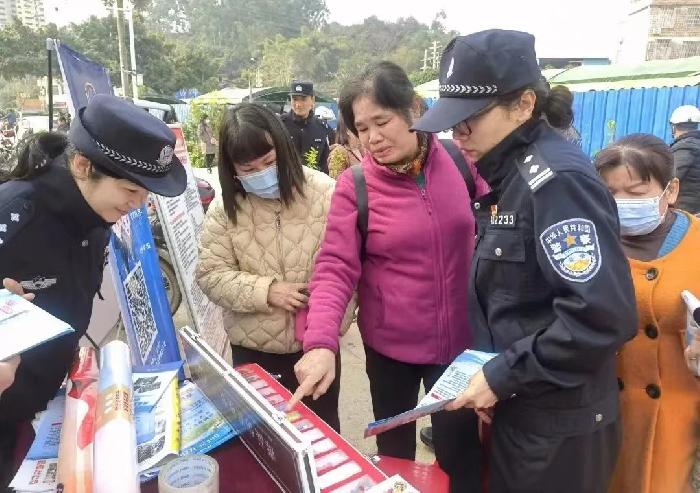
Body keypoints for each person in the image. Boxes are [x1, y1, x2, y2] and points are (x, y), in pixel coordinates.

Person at [412, 30, 638, 493]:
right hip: (527, 408)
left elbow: (601, 316)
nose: (458, 134)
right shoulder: (510, 174)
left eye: (471, 118)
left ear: (523, 104)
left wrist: (500, 376)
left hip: (558, 427)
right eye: (453, 121)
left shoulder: (556, 181)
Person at [290, 61, 489, 492]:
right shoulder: (355, 186)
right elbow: (335, 268)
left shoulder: (461, 162)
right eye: (361, 128)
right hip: (389, 352)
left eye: (382, 122)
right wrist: (320, 343)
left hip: (459, 348)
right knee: (395, 459)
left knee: (461, 456)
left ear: (413, 109)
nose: (373, 138)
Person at [0, 94, 186, 487]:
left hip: (42, 410)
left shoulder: (94, 215)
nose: (137, 206)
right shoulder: (14, 213)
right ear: (83, 166)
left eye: (146, 195)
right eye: (130, 191)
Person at [195, 103, 353, 432]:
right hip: (254, 350)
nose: (262, 174)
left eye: (269, 162)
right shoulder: (226, 210)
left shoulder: (326, 193)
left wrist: (331, 327)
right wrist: (266, 291)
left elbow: (348, 269)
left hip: (315, 347)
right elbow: (210, 275)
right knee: (263, 438)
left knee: (321, 434)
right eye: (248, 169)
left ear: (284, 148)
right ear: (232, 169)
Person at [592, 134, 700, 493]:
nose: (622, 203)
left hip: (677, 416)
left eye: (636, 193)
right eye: (610, 193)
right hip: (602, 412)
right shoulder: (588, 242)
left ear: (671, 191)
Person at [280, 81, 334, 174]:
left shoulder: (322, 128)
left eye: (303, 99)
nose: (298, 104)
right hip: (286, 179)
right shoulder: (280, 124)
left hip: (314, 180)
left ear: (312, 100)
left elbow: (326, 163)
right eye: (295, 99)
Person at [669, 104, 700, 214]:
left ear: (674, 127)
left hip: (686, 211)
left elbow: (670, 176)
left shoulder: (685, 147)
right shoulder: (696, 144)